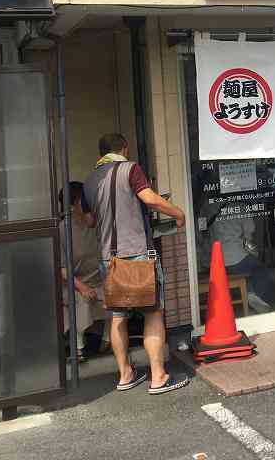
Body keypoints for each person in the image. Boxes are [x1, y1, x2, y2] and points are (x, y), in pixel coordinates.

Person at [83, 133, 189, 394]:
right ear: (125, 148)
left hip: (111, 259)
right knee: (153, 313)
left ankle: (125, 375)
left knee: (117, 317)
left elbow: (89, 221)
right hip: (138, 255)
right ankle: (158, 377)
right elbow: (150, 198)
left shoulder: (90, 180)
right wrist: (178, 212)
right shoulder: (130, 169)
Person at [61, 182, 107, 362]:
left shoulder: (93, 224)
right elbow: (62, 269)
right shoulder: (63, 230)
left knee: (116, 297)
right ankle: (78, 348)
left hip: (97, 278)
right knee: (81, 300)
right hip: (74, 283)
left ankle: (107, 341)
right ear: (72, 205)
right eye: (83, 200)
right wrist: (81, 287)